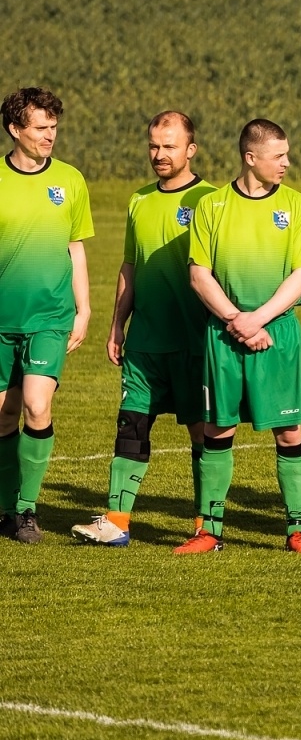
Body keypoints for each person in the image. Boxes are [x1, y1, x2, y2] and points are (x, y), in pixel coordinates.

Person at [176, 119, 301, 555]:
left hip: (276, 334)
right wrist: (235, 319)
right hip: (224, 334)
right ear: (250, 158)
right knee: (217, 429)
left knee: (289, 431)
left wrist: (257, 318)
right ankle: (210, 532)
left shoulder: (296, 205)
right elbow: (198, 274)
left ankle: (298, 530)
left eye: (286, 154)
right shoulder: (212, 207)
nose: (286, 163)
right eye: (278, 156)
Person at [73, 112, 217, 547]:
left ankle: (206, 525)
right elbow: (129, 267)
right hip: (145, 341)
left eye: (169, 146)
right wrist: (117, 325)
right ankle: (117, 522)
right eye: (154, 145)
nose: (159, 154)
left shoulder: (212, 200)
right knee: (131, 424)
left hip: (195, 342)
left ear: (190, 149)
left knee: (203, 432)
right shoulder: (138, 200)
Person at [0, 88, 92, 544]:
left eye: (54, 127)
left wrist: (85, 307)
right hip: (2, 320)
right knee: (3, 415)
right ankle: (5, 509)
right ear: (15, 130)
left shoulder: (71, 181)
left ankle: (26, 509)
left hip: (51, 317)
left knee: (37, 405)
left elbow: (76, 247)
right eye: (40, 128)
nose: (49, 136)